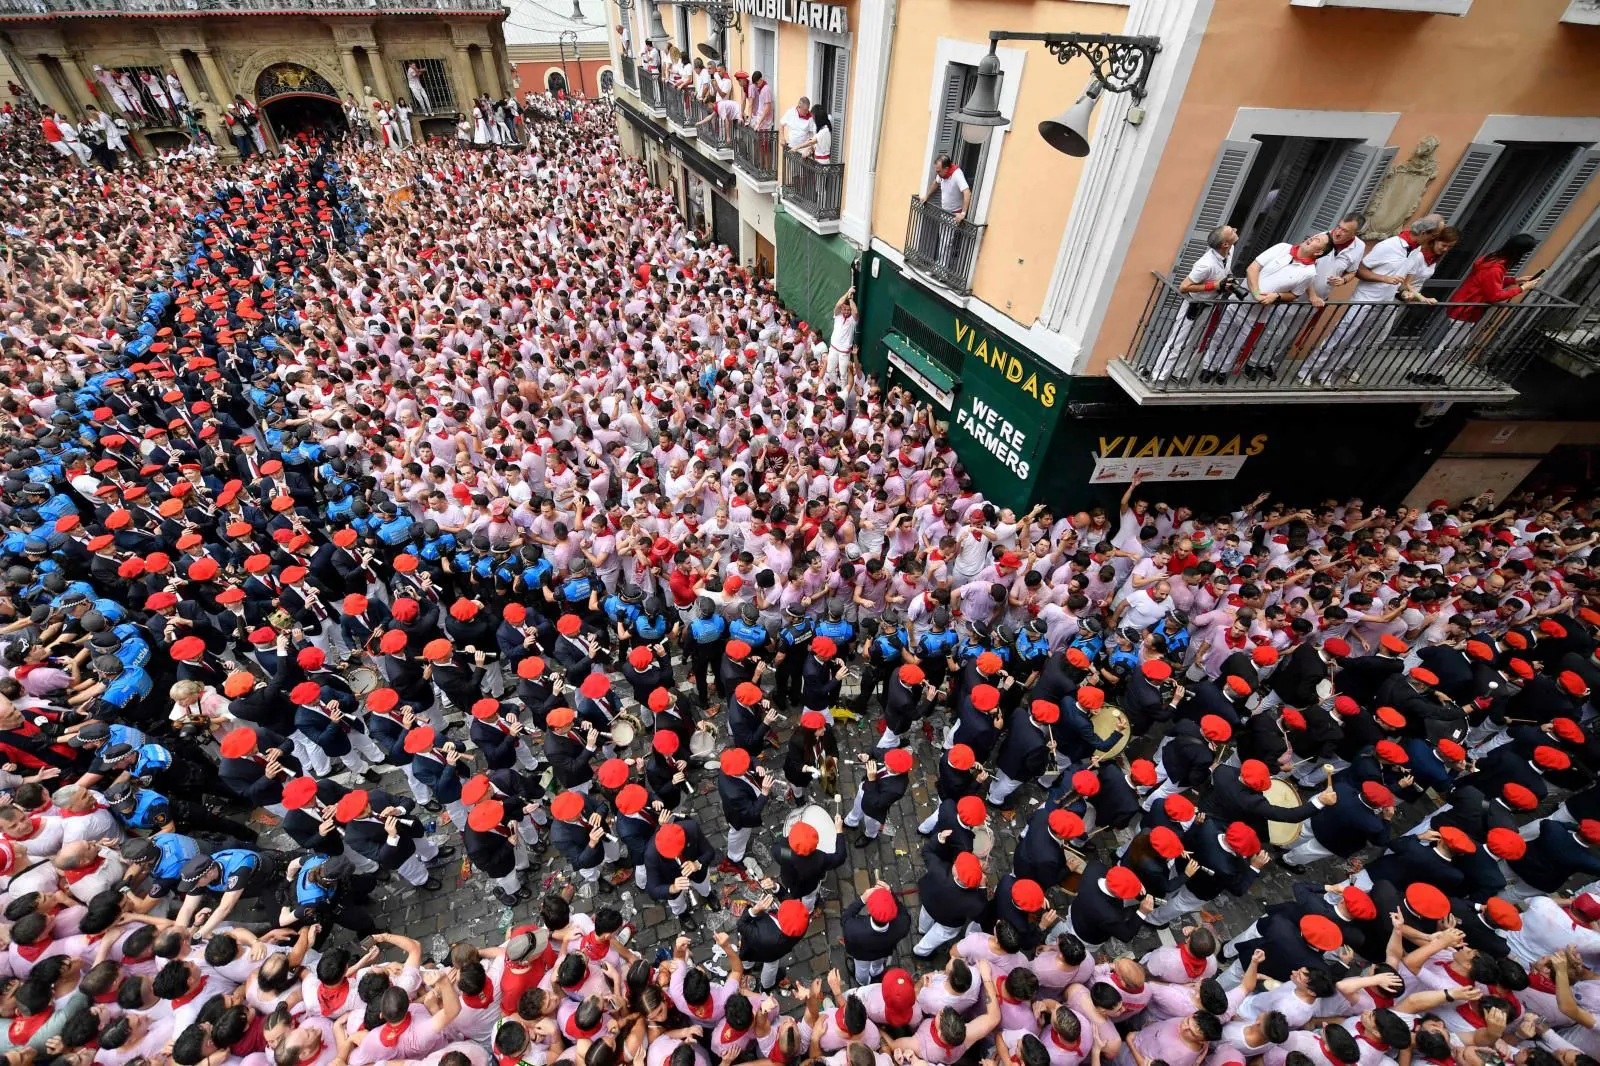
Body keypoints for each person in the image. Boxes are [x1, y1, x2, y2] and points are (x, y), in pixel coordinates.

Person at [1412, 232, 1544, 384]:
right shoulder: (1496, 267)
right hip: (1466, 309)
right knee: (1448, 346)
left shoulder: (1491, 259)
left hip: (1465, 306)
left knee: (1454, 346)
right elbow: (1494, 296)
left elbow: (1488, 283)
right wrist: (1522, 288)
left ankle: (1434, 373)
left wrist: (1515, 280)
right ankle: (1420, 372)